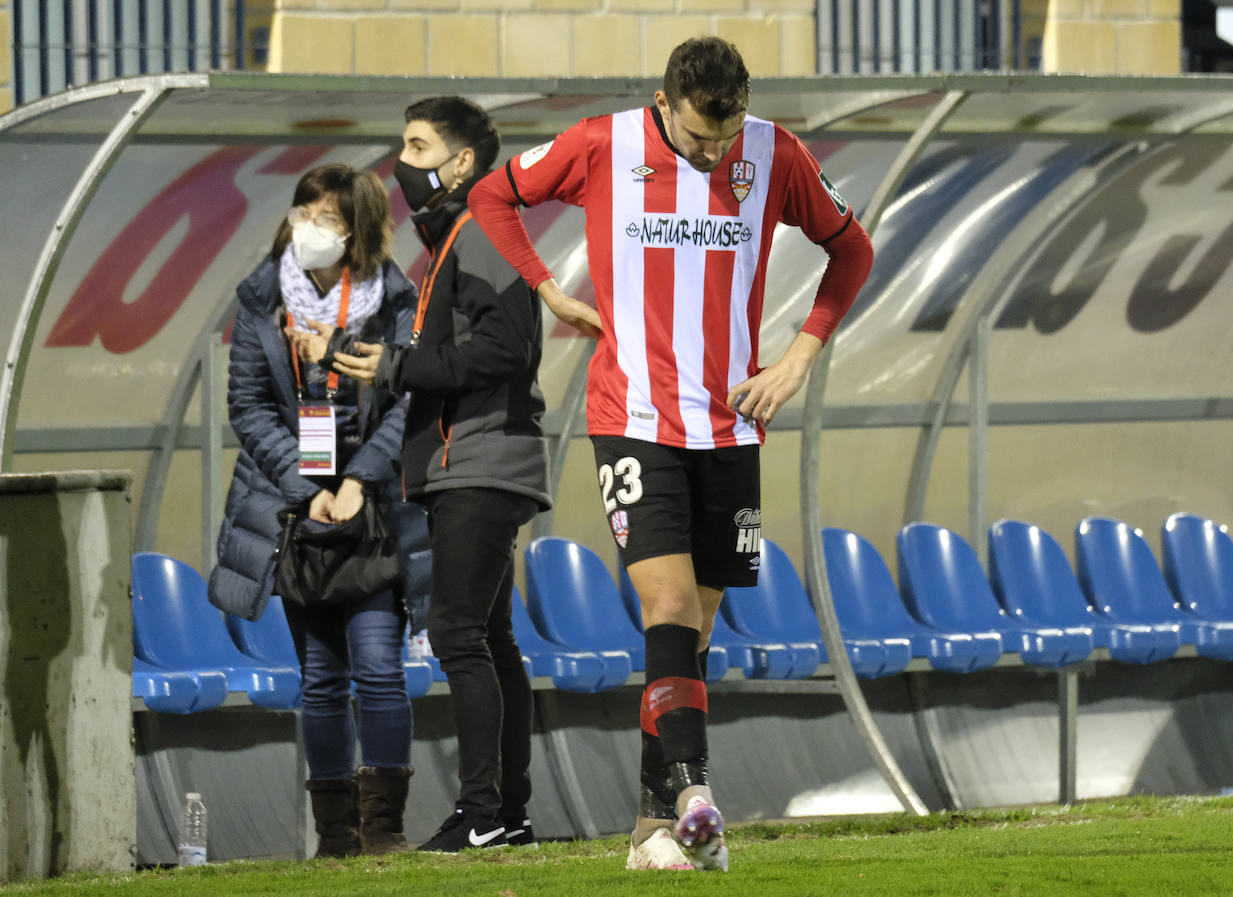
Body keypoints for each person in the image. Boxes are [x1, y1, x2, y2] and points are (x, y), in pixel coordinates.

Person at [467, 36, 875, 872]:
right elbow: (491, 196)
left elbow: (853, 249)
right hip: (634, 417)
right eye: (696, 140)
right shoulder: (600, 143)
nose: (712, 154)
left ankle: (655, 832)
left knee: (697, 630)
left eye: (725, 140)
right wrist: (548, 290)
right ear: (664, 103)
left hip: (730, 422)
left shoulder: (775, 151)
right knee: (668, 605)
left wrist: (796, 359)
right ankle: (694, 791)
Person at [326, 96, 551, 852]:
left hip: (481, 460)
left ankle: (485, 811)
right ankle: (505, 811)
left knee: (458, 633)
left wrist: (400, 366)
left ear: (462, 163)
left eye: (419, 147)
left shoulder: (482, 228)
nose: (403, 162)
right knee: (490, 637)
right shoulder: (458, 234)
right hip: (473, 459)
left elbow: (508, 347)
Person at [207, 164, 420, 857]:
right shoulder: (262, 300)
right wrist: (308, 485)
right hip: (296, 511)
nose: (311, 227)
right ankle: (337, 837)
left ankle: (384, 829)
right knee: (323, 676)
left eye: (327, 217)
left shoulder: (393, 299)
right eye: (303, 211)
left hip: (373, 505)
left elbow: (406, 399)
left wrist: (357, 478)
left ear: (357, 229)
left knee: (380, 665)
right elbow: (248, 407)